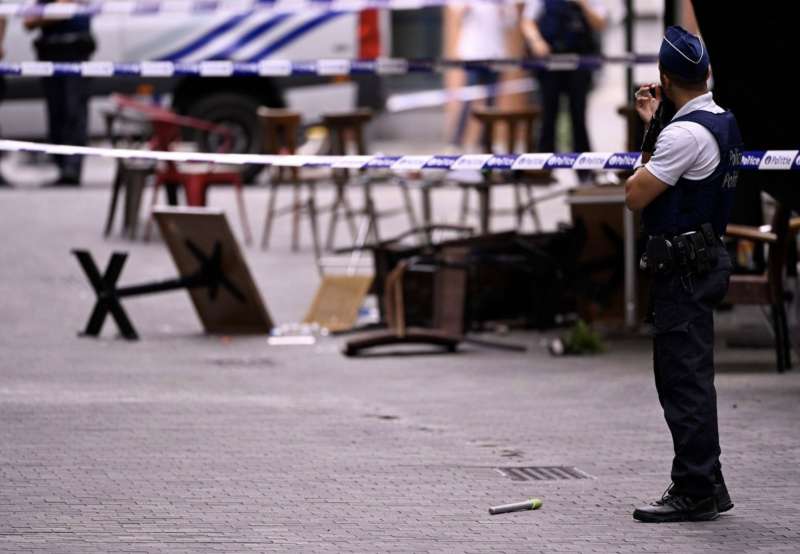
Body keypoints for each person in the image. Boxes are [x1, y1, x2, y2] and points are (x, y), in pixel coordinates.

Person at [624, 26, 742, 523]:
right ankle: (707, 483)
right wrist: (656, 121)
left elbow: (635, 194)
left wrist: (653, 129)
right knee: (692, 376)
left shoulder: (683, 134)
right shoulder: (721, 121)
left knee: (682, 381)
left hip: (683, 270)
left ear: (664, 77)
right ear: (706, 74)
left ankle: (695, 489)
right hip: (705, 260)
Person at [520, 0, 607, 182]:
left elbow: (600, 23)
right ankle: (543, 170)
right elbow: (527, 21)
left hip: (579, 61)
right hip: (548, 60)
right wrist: (536, 41)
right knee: (548, 115)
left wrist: (583, 5)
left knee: (578, 115)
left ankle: (584, 170)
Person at [24, 0, 95, 186]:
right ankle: (62, 166)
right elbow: (28, 22)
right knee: (56, 112)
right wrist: (53, 12)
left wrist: (47, 15)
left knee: (74, 110)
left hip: (75, 51)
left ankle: (72, 168)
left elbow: (66, 8)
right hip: (50, 52)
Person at [449, 1, 514, 149]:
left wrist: (503, 12)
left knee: (491, 103)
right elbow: (458, 15)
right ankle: (456, 141)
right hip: (473, 54)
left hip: (495, 54)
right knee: (468, 99)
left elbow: (512, 21)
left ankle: (485, 143)